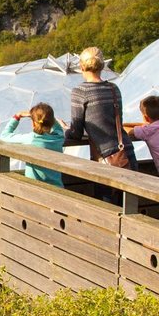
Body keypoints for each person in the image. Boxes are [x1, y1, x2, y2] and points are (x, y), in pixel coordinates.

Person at [65, 46, 136, 202]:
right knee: (129, 207)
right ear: (102, 65)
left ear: (81, 66)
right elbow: (114, 121)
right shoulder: (113, 88)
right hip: (127, 154)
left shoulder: (80, 91)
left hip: (106, 159)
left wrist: (65, 131)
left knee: (108, 211)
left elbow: (76, 132)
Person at [0, 102, 66, 187]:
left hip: (34, 189)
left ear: (33, 123)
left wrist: (17, 116)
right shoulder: (59, 137)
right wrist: (50, 119)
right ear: (52, 122)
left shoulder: (31, 139)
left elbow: (4, 135)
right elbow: (56, 126)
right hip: (58, 188)